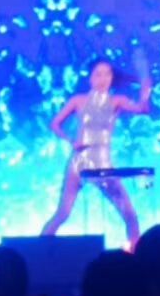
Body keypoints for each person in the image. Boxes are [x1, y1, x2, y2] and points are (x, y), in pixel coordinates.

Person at [40, 51, 152, 246]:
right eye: (98, 74)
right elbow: (55, 124)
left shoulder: (117, 101)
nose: (103, 79)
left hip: (103, 164)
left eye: (107, 74)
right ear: (90, 78)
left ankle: (137, 255)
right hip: (79, 163)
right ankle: (38, 251)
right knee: (62, 213)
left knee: (129, 214)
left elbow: (142, 109)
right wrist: (71, 141)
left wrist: (145, 93)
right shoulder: (78, 100)